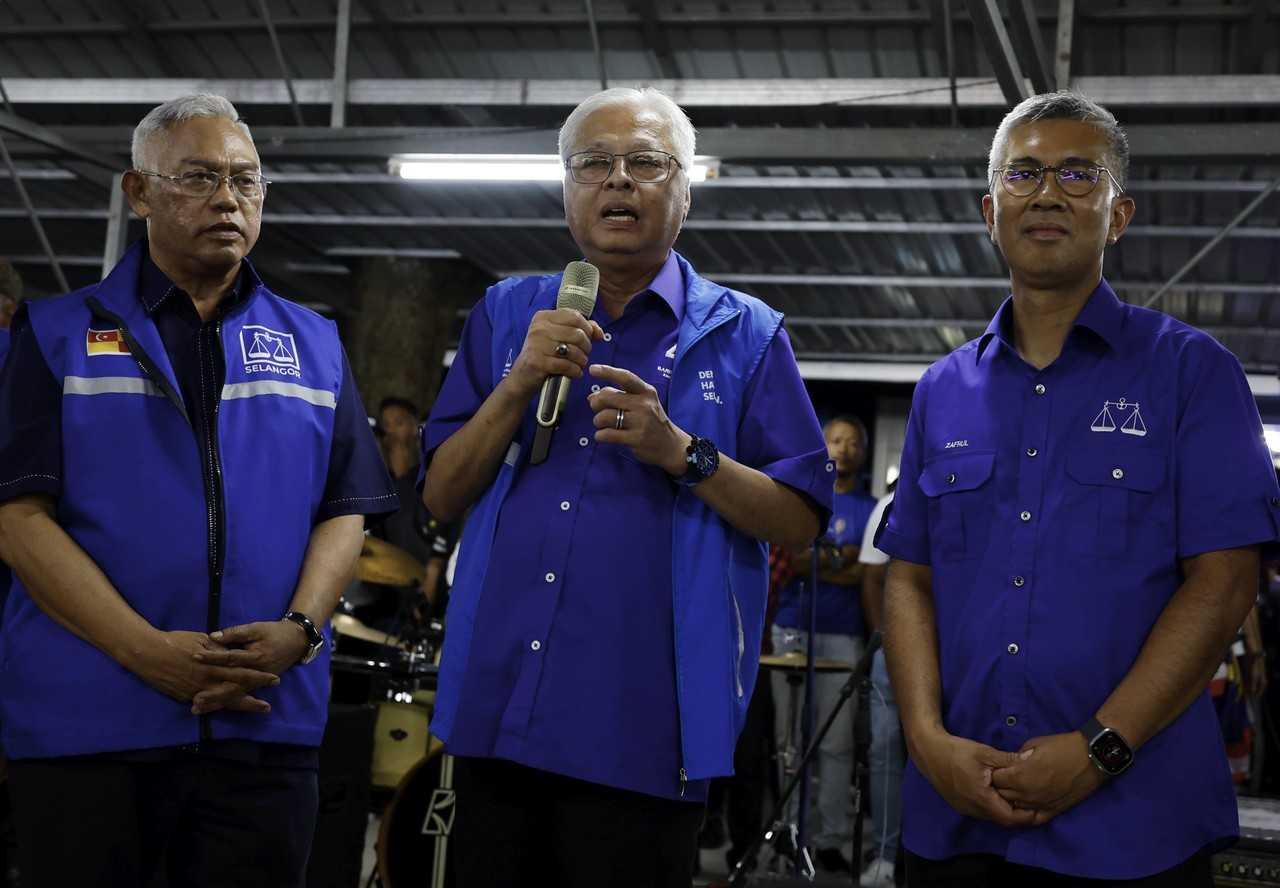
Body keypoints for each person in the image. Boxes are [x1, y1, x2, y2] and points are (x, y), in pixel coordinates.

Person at [421, 86, 832, 888]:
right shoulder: (507, 315)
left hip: (648, 731)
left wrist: (684, 453)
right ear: (567, 187)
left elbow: (800, 522)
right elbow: (439, 497)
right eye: (593, 164)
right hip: (497, 712)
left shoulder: (746, 335)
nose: (618, 181)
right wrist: (515, 386)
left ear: (686, 186)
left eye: (645, 162)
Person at [878, 90, 1280, 886]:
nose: (1048, 193)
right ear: (991, 211)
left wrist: (1102, 747)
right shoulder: (941, 390)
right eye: (1023, 174)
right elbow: (910, 578)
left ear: (1118, 214)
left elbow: (1224, 581)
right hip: (955, 818)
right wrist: (925, 739)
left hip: (1134, 829)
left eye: (1076, 174)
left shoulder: (1192, 374)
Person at [0, 94, 397, 888]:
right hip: (91, 731)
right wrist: (147, 654)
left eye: (247, 181)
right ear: (138, 193)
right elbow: (19, 518)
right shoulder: (52, 334)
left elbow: (345, 508)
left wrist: (301, 629)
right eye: (200, 177)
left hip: (263, 728)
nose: (228, 199)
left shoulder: (313, 343)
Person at [770, 415, 877, 874]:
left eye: (853, 442)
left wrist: (825, 560)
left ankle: (831, 838)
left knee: (835, 743)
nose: (844, 448)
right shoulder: (804, 498)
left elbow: (863, 573)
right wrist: (840, 558)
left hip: (845, 634)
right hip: (791, 630)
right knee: (788, 741)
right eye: (835, 440)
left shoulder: (871, 508)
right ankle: (789, 834)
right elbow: (791, 561)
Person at [858, 481, 901, 888]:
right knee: (886, 750)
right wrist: (882, 637)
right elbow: (872, 578)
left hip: (957, 654)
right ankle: (885, 853)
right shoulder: (891, 505)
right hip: (894, 653)